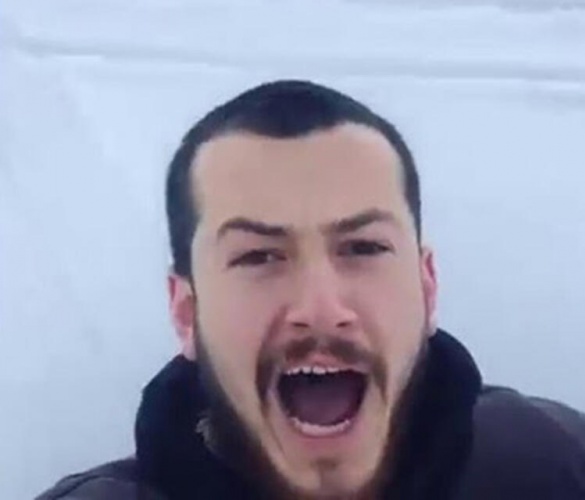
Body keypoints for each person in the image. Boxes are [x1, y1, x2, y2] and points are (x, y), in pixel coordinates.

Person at [37, 80, 585, 500]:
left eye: (363, 248)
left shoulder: (555, 465)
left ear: (426, 287)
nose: (321, 309)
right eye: (259, 256)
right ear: (187, 314)